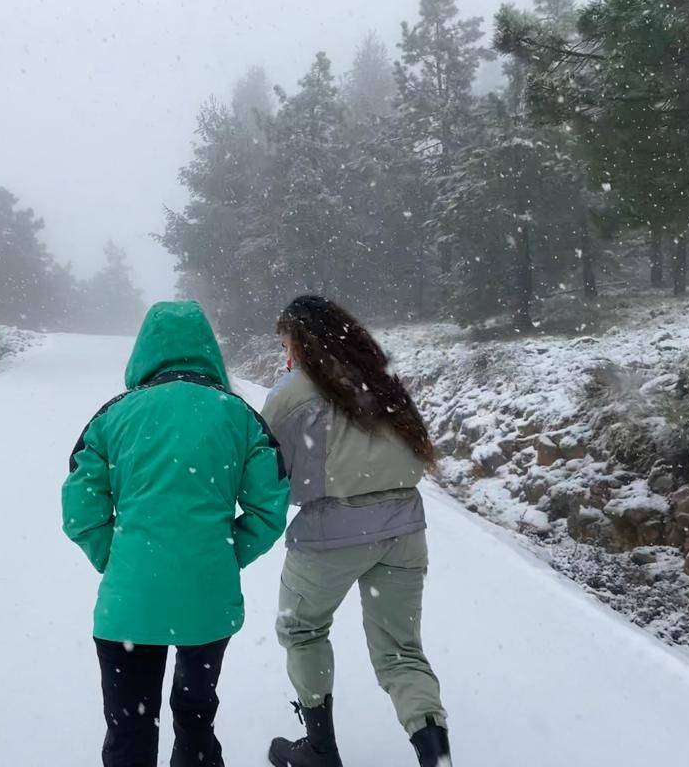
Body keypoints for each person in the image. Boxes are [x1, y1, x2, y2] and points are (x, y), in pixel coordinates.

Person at [63, 301, 291, 767]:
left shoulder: (112, 418)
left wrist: (120, 558)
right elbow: (269, 508)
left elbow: (79, 511)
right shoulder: (240, 417)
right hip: (206, 602)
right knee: (195, 715)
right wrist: (224, 555)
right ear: (208, 349)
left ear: (144, 351)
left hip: (128, 607)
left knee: (129, 728)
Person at [262, 295, 452, 767]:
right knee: (402, 651)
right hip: (404, 528)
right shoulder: (384, 383)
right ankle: (436, 757)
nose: (287, 356)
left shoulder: (294, 393)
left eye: (288, 344)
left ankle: (320, 750)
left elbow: (266, 474)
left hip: (330, 533)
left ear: (301, 343)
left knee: (302, 630)